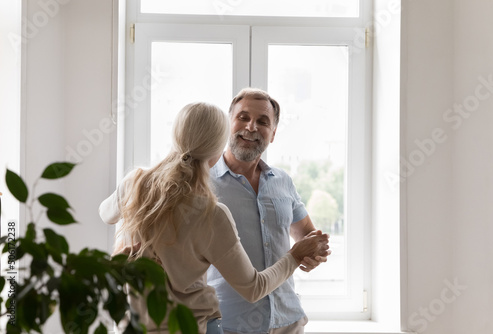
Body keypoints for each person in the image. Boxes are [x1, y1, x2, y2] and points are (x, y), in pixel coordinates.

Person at [99, 102, 330, 334]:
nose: (251, 127)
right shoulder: (212, 214)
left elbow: (105, 214)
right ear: (219, 148)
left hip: (136, 326)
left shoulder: (134, 183)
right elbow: (254, 288)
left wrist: (125, 244)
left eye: (262, 121)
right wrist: (295, 255)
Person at [207, 88, 331, 334]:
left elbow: (307, 235)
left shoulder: (282, 180)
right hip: (228, 323)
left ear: (273, 134)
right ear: (228, 123)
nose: (251, 127)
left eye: (263, 121)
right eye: (243, 117)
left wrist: (316, 251)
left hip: (288, 321)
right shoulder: (203, 182)